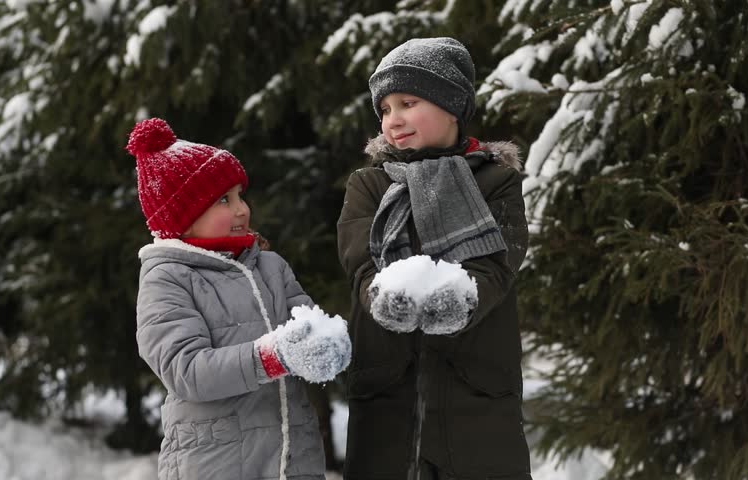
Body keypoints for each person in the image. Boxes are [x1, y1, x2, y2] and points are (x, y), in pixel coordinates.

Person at [337, 37, 532, 480]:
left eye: (409, 101)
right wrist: (382, 297)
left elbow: (496, 265)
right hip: (389, 387)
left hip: (475, 391)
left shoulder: (495, 180)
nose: (394, 119)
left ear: (453, 106)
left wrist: (460, 300)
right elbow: (361, 263)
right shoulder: (368, 184)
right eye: (384, 109)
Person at [127, 117, 351, 480]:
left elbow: (308, 326)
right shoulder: (167, 279)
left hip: (294, 461)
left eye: (240, 195)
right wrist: (271, 357)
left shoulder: (271, 266)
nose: (242, 209)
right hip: (218, 462)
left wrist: (328, 346)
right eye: (223, 200)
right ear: (182, 216)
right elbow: (187, 371)